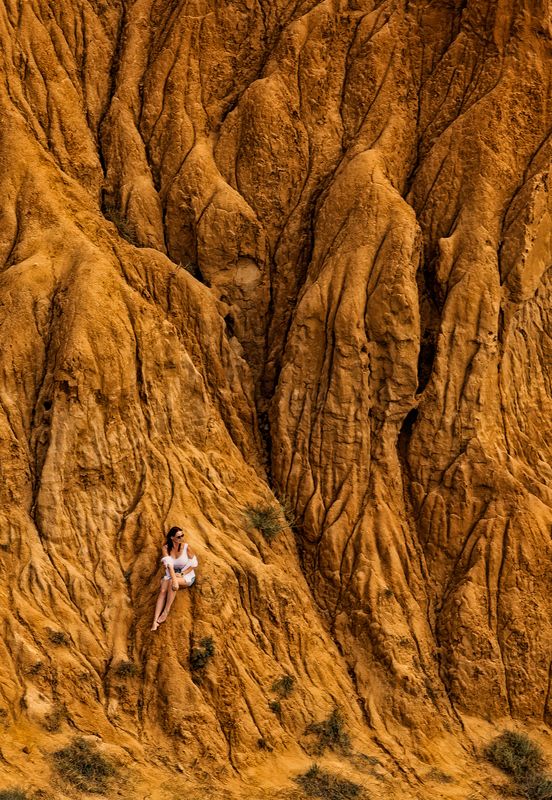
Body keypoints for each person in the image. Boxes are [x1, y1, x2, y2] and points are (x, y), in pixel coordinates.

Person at [151, 526, 198, 631]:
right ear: (172, 537)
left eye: (182, 535)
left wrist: (181, 574)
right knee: (163, 590)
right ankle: (155, 622)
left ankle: (166, 611)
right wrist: (174, 578)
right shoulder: (166, 548)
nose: (181, 538)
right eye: (178, 537)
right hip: (171, 573)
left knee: (172, 582)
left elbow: (194, 564)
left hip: (187, 575)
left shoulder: (186, 547)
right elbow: (169, 566)